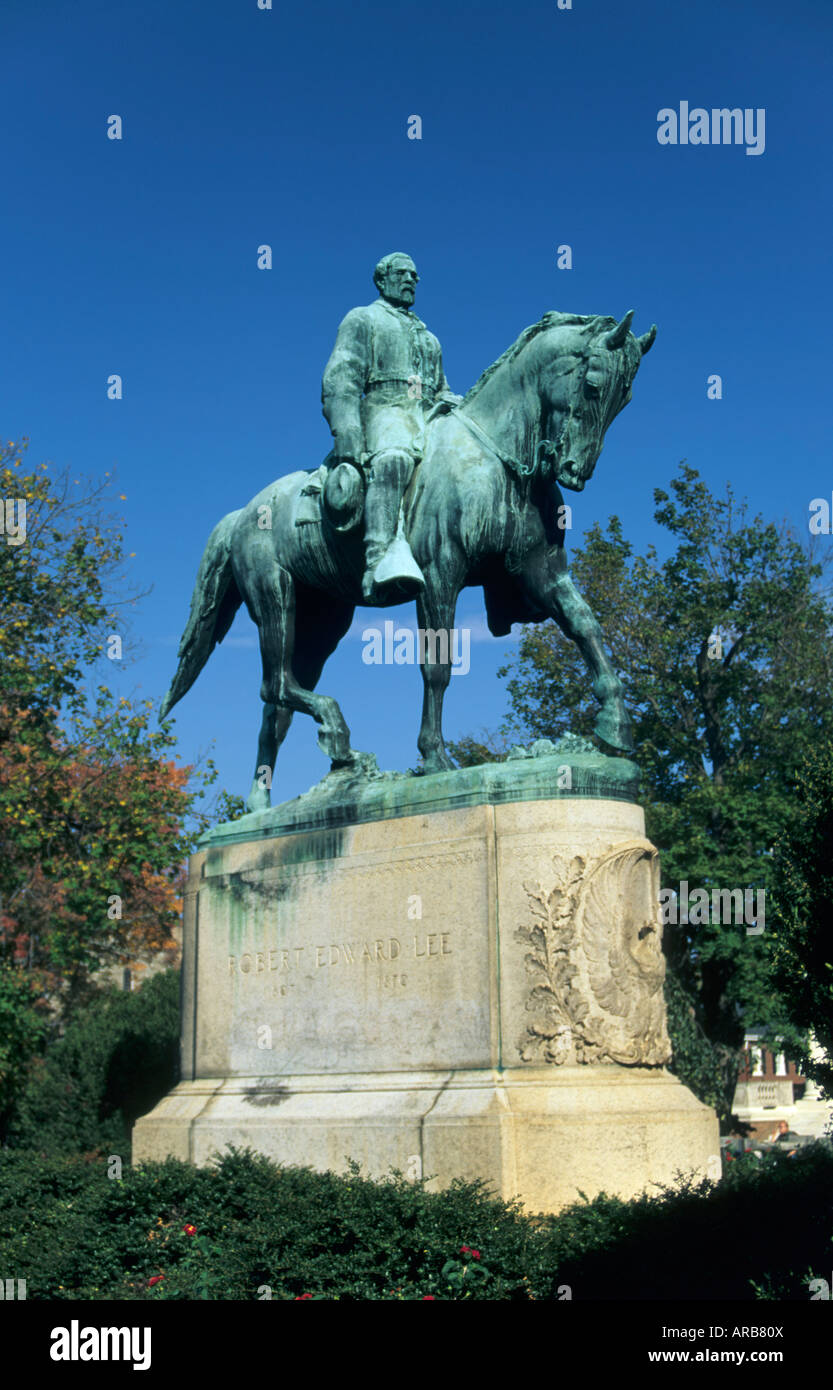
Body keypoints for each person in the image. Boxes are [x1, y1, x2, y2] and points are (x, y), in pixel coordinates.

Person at [321, 252, 461, 603]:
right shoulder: (363, 319)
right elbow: (341, 379)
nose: (411, 279)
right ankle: (378, 561)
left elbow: (441, 387)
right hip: (385, 411)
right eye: (402, 273)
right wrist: (348, 430)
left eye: (415, 275)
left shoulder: (429, 337)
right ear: (382, 280)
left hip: (427, 416)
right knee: (394, 460)